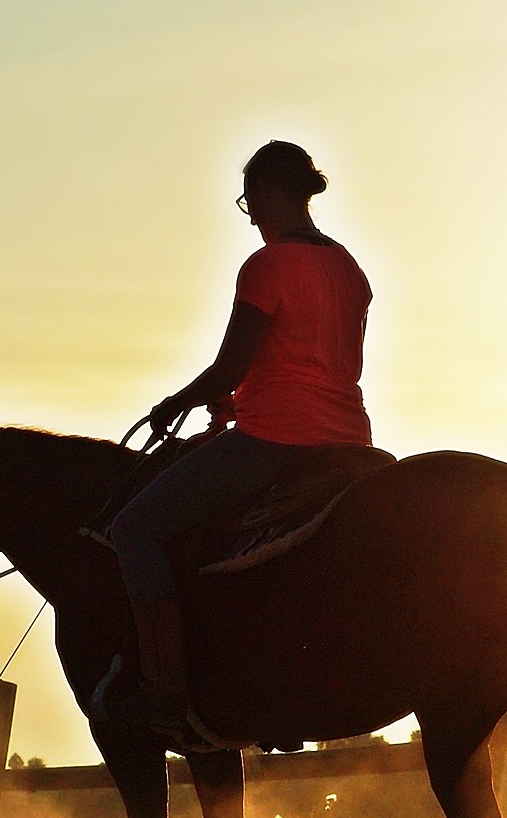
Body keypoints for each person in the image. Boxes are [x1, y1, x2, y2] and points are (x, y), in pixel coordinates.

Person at [91, 140, 375, 733]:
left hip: (276, 440)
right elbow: (310, 360)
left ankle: (163, 687)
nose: (252, 215)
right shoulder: (350, 268)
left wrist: (180, 401)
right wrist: (232, 396)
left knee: (134, 528)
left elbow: (231, 366)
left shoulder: (267, 266)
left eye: (250, 200)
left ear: (270, 193)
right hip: (350, 440)